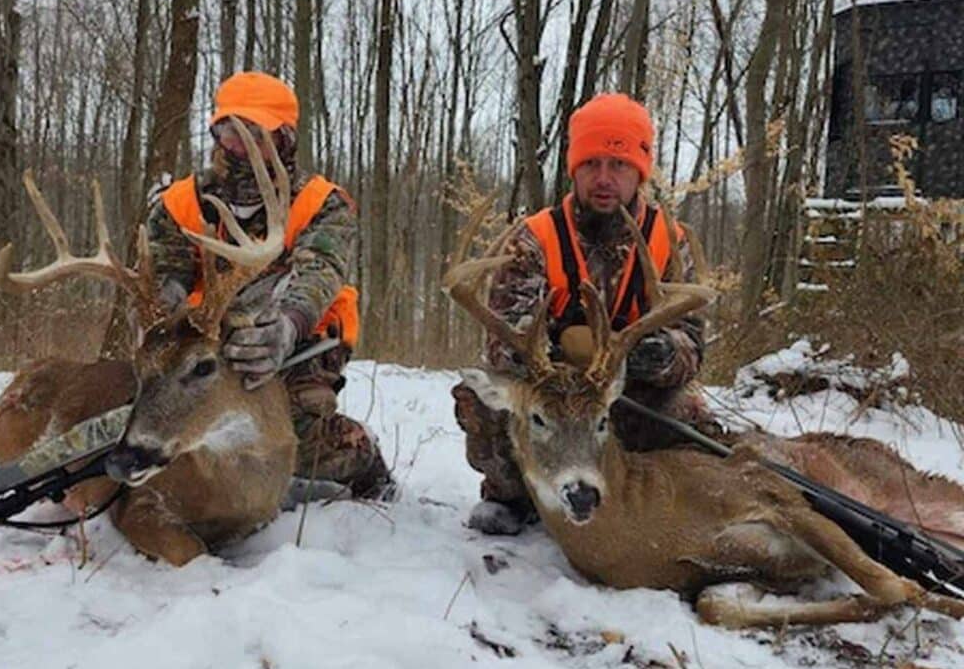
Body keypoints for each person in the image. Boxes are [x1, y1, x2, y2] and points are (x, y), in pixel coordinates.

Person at [452, 93, 716, 534]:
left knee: (695, 426)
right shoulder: (534, 238)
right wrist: (548, 358)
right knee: (481, 399)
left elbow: (691, 344)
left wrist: (659, 353)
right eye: (591, 164)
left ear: (640, 172)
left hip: (631, 393)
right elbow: (504, 341)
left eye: (619, 164)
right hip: (553, 395)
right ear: (574, 169)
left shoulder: (670, 241)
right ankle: (513, 496)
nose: (604, 177)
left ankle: (647, 504)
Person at [146, 71, 392, 498]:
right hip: (203, 339)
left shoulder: (320, 202)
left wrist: (288, 325)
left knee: (301, 441)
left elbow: (321, 269)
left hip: (299, 341)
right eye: (229, 131)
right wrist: (166, 302)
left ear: (284, 139)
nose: (240, 147)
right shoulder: (181, 201)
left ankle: (362, 457)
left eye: (256, 134)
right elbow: (169, 268)